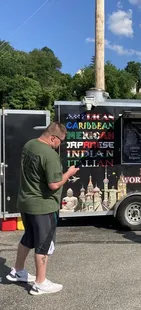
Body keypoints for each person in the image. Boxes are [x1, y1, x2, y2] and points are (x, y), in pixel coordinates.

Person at [6, 122, 79, 295]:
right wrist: (68, 174)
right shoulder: (50, 155)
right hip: (43, 207)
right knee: (43, 243)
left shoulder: (29, 145)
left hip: (25, 202)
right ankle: (40, 283)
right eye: (60, 140)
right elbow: (54, 185)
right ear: (53, 137)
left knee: (29, 237)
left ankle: (18, 271)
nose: (60, 144)